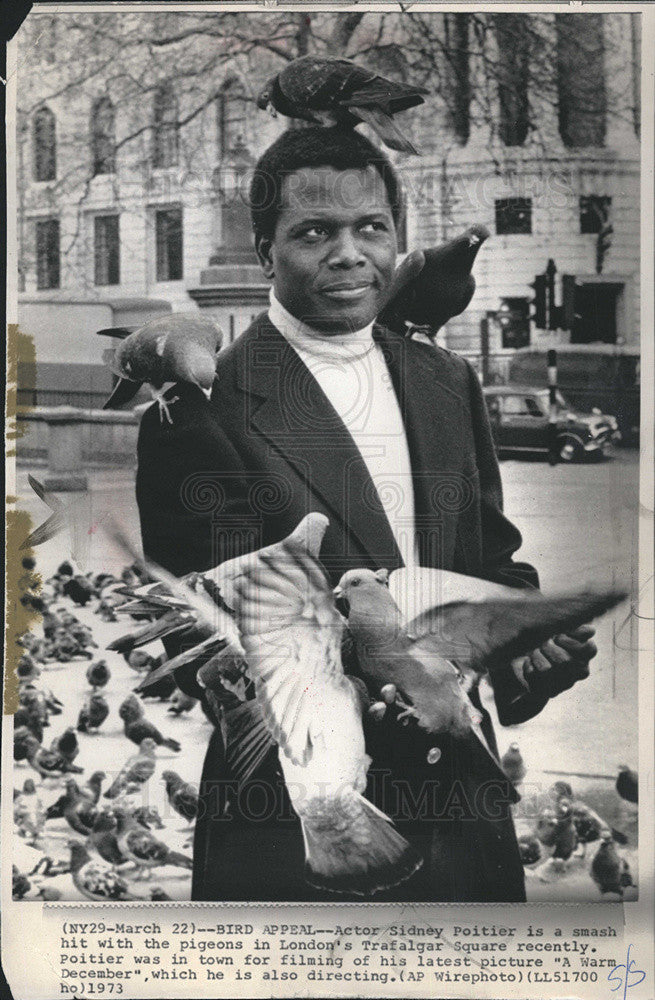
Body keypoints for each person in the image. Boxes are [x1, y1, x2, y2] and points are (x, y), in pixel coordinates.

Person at [136, 126, 597, 902]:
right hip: (297, 827)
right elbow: (196, 640)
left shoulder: (445, 379)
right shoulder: (200, 408)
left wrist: (525, 652)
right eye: (314, 232)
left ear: (397, 237)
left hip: (460, 815)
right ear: (264, 250)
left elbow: (496, 564)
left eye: (371, 228)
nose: (349, 254)